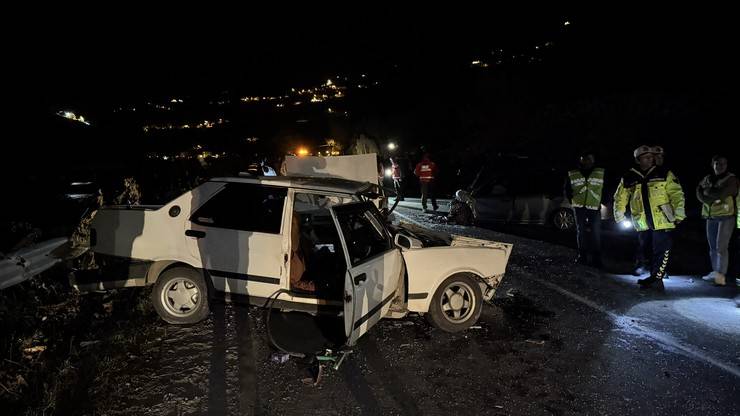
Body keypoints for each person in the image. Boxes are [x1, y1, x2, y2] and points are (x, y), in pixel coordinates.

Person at [614, 145, 686, 290]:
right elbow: (620, 198)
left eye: (651, 157)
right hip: (642, 222)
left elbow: (677, 194)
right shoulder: (629, 177)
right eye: (646, 157)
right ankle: (653, 276)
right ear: (638, 160)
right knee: (646, 249)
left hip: (663, 220)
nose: (650, 159)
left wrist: (679, 214)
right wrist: (619, 217)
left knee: (661, 250)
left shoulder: (664, 173)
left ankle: (657, 279)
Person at [696, 155, 738, 286]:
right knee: (712, 247)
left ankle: (721, 276)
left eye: (723, 164)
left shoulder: (731, 179)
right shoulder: (708, 178)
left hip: (726, 216)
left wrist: (708, 192)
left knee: (721, 247)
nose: (720, 166)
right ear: (712, 165)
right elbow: (698, 191)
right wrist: (709, 194)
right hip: (711, 216)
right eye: (717, 164)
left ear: (727, 165)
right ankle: (715, 272)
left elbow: (722, 193)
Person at [565, 152, 605, 267]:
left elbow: (606, 188)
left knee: (595, 233)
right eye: (584, 159)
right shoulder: (573, 173)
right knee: (580, 232)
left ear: (593, 160)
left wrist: (605, 200)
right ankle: (582, 256)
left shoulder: (600, 172)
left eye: (589, 158)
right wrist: (572, 200)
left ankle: (596, 258)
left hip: (594, 206)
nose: (587, 161)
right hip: (579, 207)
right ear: (580, 159)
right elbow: (567, 189)